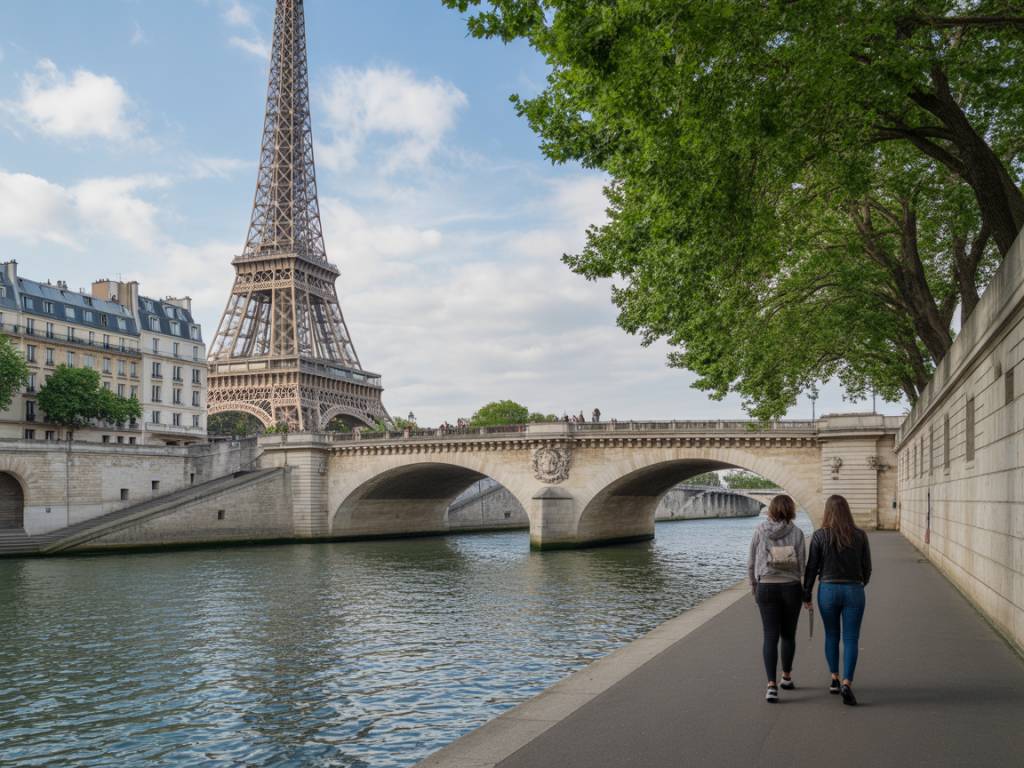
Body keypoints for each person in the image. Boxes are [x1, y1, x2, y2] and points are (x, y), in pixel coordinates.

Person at [803, 494, 872, 706]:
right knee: (851, 638)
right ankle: (847, 683)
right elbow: (867, 568)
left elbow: (811, 568)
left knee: (831, 635)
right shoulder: (860, 535)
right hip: (854, 589)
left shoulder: (819, 536)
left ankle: (834, 678)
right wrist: (859, 584)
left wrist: (807, 594)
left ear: (827, 512)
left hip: (828, 589)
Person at [748, 495, 806, 703]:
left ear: (771, 510)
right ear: (791, 510)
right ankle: (786, 677)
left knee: (770, 636)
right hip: (791, 587)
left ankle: (771, 686)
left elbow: (751, 562)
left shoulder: (760, 531)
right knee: (788, 635)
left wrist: (754, 587)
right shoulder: (797, 533)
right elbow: (802, 565)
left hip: (766, 587)